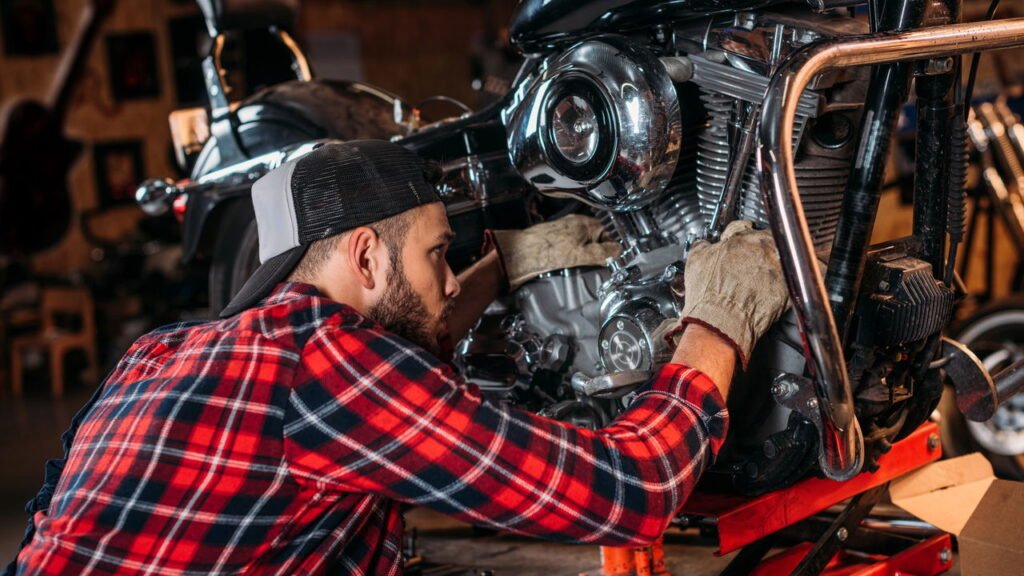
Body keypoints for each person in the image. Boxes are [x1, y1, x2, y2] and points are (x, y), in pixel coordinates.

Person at [10, 140, 789, 575]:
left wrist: (499, 273)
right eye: (437, 254)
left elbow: (51, 509)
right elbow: (631, 488)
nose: (448, 280)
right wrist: (718, 321)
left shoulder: (161, 350)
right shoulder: (330, 365)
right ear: (365, 256)